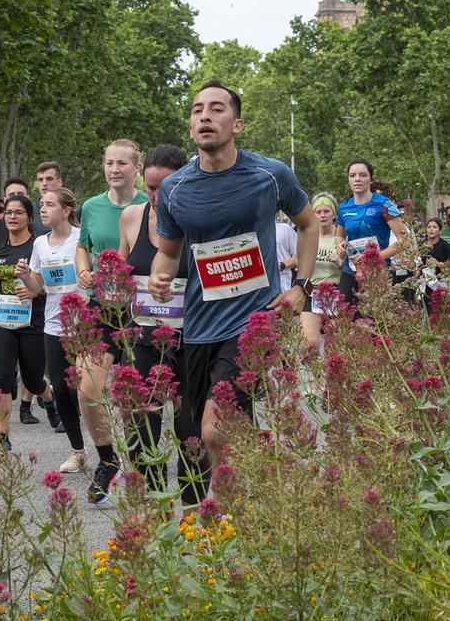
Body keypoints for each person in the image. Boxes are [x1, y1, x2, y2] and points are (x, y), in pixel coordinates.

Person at [151, 81, 317, 474]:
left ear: (237, 124)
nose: (205, 116)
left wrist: (301, 287)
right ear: (191, 127)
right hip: (199, 326)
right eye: (197, 110)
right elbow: (168, 253)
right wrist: (160, 277)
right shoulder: (175, 189)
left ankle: (230, 522)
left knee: (215, 429)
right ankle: (258, 500)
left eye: (216, 109)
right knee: (207, 431)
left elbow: (308, 225)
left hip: (253, 322)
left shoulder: (270, 174)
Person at [116, 145, 195, 496]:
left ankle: (195, 513)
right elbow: (120, 270)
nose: (157, 195)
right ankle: (155, 510)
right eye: (150, 187)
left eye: (166, 187)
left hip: (191, 339)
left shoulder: (199, 220)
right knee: (141, 434)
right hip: (142, 341)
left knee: (190, 434)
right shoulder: (131, 217)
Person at [74, 140, 147, 503]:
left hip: (140, 309)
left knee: (135, 393)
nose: (114, 169)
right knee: (87, 389)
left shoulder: (149, 205)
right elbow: (83, 245)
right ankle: (107, 459)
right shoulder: (91, 206)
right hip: (99, 306)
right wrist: (83, 270)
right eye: (108, 163)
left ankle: (140, 458)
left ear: (137, 167)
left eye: (121, 163)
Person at [0, 194, 60, 450]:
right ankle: (2, 439)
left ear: (28, 217)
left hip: (32, 322)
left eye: (18, 212)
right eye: (8, 212)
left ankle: (48, 399)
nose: (12, 216)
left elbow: (47, 283)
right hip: (2, 320)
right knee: (2, 380)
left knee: (33, 380)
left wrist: (35, 289)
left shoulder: (38, 246)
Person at [18, 187, 86, 473]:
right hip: (54, 324)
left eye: (49, 205)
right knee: (60, 388)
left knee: (82, 392)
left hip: (84, 325)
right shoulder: (39, 244)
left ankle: (108, 447)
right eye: (41, 205)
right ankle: (78, 452)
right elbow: (39, 288)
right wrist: (25, 277)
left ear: (66, 210)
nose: (42, 210)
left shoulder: (81, 239)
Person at [335, 159, 410, 307]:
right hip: (350, 270)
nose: (357, 179)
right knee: (345, 319)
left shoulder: (384, 204)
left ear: (371, 179)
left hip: (378, 272)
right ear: (348, 179)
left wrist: (375, 257)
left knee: (376, 323)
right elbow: (339, 236)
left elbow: (405, 240)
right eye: (353, 175)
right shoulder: (344, 208)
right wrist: (339, 247)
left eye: (362, 175)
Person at [300, 192, 345, 349]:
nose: (322, 215)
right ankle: (316, 374)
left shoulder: (341, 238)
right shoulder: (307, 238)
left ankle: (333, 373)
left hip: (336, 292)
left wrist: (340, 263)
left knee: (336, 347)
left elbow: (353, 267)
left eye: (326, 211)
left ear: (334, 214)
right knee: (309, 345)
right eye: (318, 212)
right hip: (312, 292)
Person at [414, 218, 450, 306]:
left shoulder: (445, 245)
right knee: (424, 309)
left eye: (434, 227)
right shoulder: (421, 244)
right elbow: (416, 260)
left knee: (439, 309)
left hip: (440, 282)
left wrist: (439, 264)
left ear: (439, 231)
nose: (431, 229)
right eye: (429, 227)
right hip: (424, 282)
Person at [275, 214, 298, 291]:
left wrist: (281, 265)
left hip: (283, 287)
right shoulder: (249, 232)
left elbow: (299, 256)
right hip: (257, 293)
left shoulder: (284, 228)